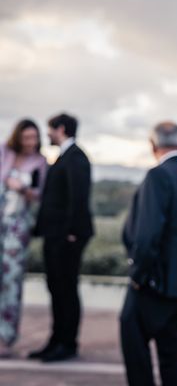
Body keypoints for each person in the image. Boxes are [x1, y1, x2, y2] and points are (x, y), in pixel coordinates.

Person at [120, 121, 177, 385]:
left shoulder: (158, 175)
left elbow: (147, 235)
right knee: (173, 353)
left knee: (134, 343)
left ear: (152, 144)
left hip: (153, 283)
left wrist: (137, 275)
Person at [28, 113, 93, 362]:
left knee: (66, 289)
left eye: (50, 130)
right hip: (56, 236)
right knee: (57, 289)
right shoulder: (65, 157)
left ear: (61, 129)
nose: (48, 135)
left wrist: (71, 233)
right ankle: (56, 340)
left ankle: (67, 343)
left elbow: (78, 198)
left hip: (67, 238)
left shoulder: (76, 158)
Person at [0, 119, 47, 357]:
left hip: (17, 227)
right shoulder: (3, 152)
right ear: (17, 137)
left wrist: (22, 189)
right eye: (27, 137)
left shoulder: (39, 162)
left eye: (35, 138)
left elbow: (40, 194)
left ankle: (5, 336)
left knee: (11, 281)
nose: (31, 142)